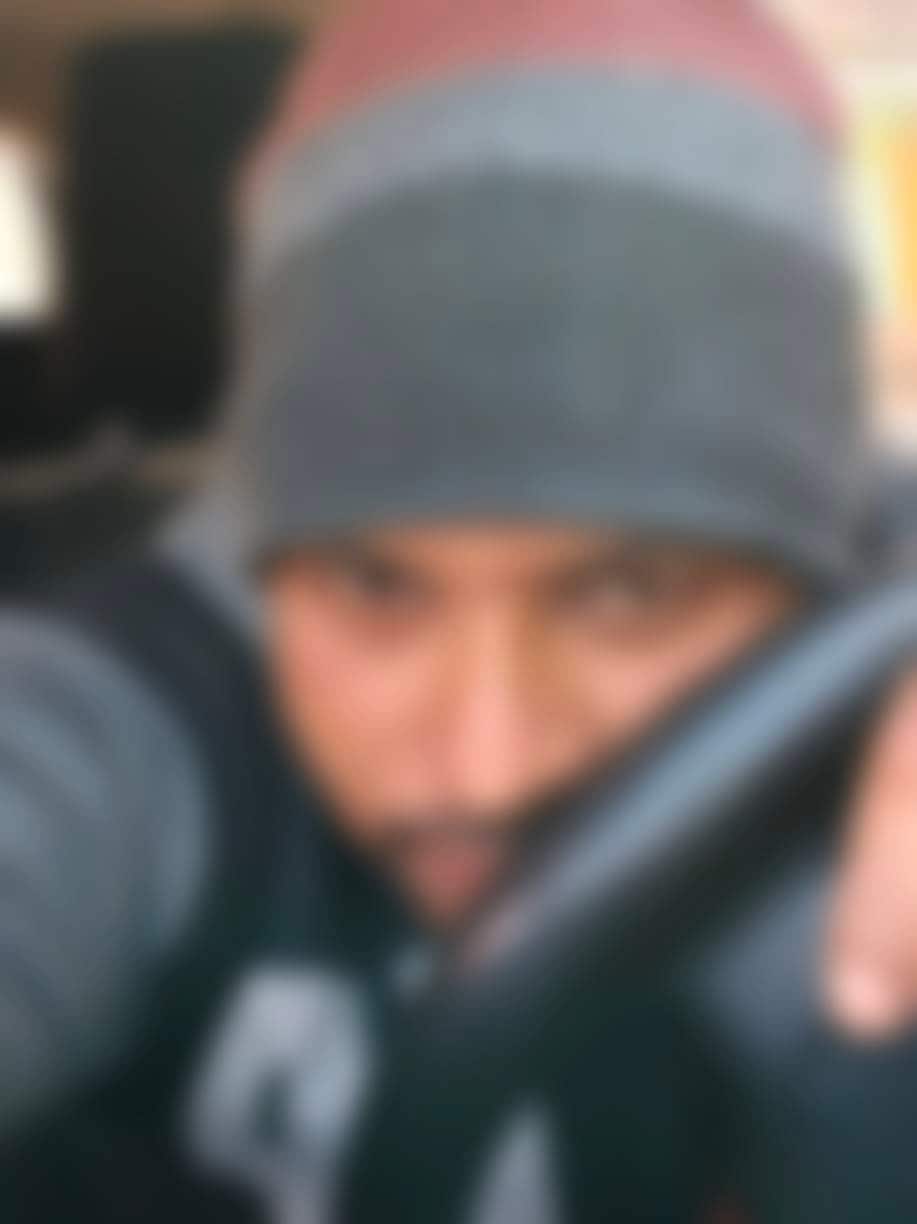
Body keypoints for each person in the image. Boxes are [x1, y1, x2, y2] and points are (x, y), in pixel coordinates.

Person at [4, 1, 917, 1220]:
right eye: (371, 585)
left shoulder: (874, 665)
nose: (484, 767)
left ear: (816, 579)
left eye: (630, 592)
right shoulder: (122, 717)